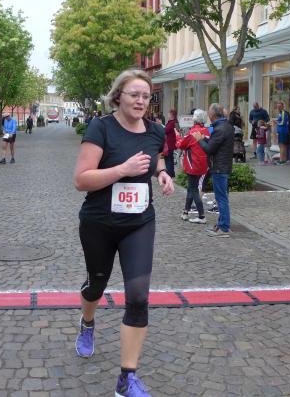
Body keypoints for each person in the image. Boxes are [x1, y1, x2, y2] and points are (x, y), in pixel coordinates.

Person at [73, 69, 174, 397]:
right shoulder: (101, 127)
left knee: (139, 297)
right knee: (96, 285)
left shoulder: (155, 130)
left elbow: (156, 157)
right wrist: (122, 170)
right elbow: (81, 180)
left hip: (139, 223)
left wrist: (162, 173)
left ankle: (126, 378)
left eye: (146, 96)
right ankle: (88, 322)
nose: (141, 101)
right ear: (119, 96)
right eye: (134, 94)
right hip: (99, 223)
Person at [191, 103, 234, 237]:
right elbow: (216, 142)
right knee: (221, 198)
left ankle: (223, 228)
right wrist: (206, 138)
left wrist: (199, 140)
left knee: (221, 199)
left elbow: (209, 149)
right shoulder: (226, 126)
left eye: (209, 112)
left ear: (213, 114)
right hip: (223, 166)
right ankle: (221, 224)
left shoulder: (219, 128)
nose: (208, 114)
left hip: (219, 167)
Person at [176, 109, 210, 224]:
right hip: (203, 164)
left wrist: (177, 136)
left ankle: (201, 215)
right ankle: (185, 212)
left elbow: (181, 145)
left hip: (193, 164)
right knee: (191, 188)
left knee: (193, 189)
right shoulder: (207, 131)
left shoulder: (192, 132)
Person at [163, 109, 179, 177]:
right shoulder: (176, 122)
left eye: (168, 114)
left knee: (168, 159)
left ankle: (169, 173)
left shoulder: (172, 123)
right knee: (171, 159)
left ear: (172, 115)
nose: (168, 115)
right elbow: (178, 130)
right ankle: (172, 173)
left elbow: (165, 130)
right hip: (172, 143)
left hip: (169, 144)